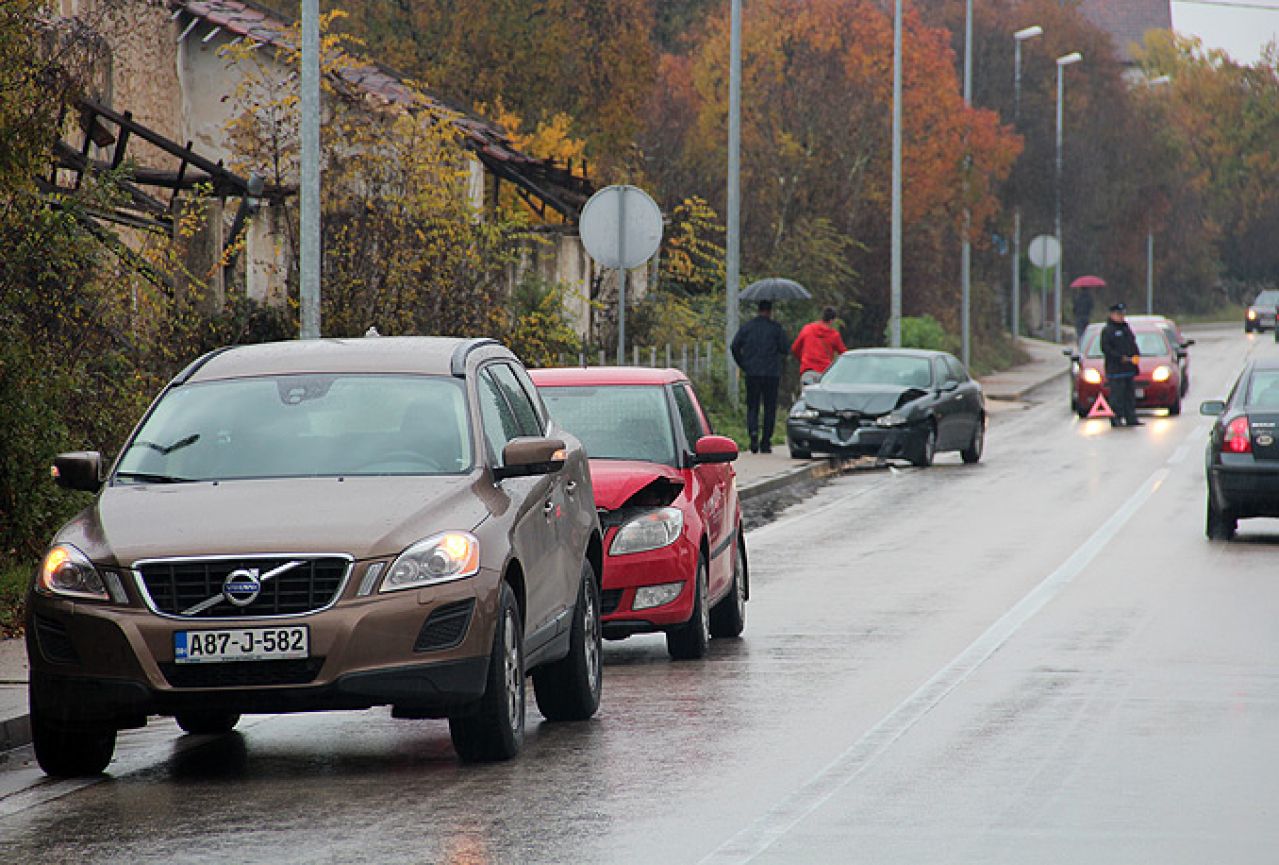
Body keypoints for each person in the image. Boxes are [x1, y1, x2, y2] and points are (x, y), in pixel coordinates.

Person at [731, 300, 789, 453]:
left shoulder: (747, 327)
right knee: (770, 407)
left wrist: (743, 364)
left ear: (758, 310)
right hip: (771, 374)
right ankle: (766, 441)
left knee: (753, 406)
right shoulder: (776, 328)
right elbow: (785, 348)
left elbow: (734, 346)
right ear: (770, 311)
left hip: (752, 373)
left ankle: (753, 435)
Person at [1100, 302, 1142, 427]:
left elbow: (1132, 344)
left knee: (1129, 395)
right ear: (1112, 315)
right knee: (1117, 396)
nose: (1121, 317)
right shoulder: (1108, 330)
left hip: (1128, 369)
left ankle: (1131, 417)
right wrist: (1119, 357)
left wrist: (1135, 355)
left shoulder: (1126, 328)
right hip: (1116, 370)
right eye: (1118, 314)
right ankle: (1116, 417)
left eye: (1122, 314)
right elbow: (1106, 349)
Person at [791, 306, 848, 384]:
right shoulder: (834, 335)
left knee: (807, 395)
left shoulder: (807, 329)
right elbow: (844, 355)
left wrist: (803, 359)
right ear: (831, 320)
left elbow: (795, 348)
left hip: (808, 372)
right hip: (825, 374)